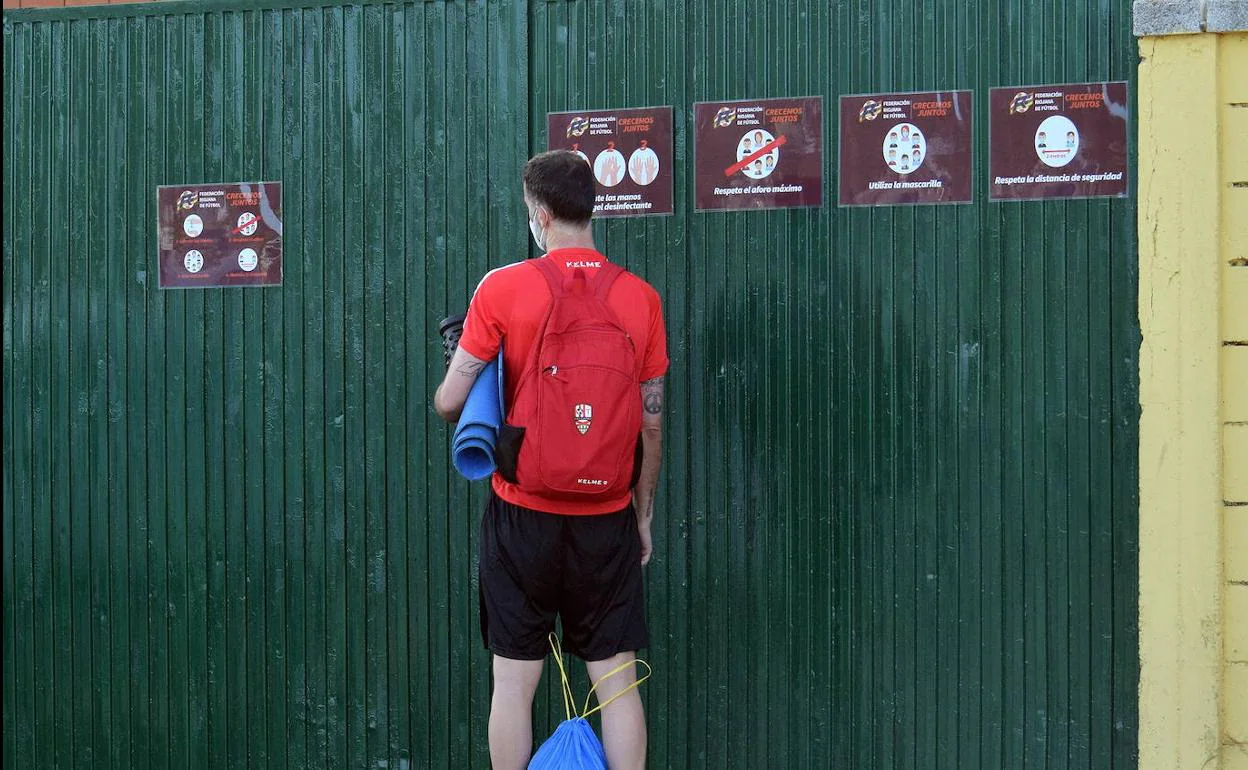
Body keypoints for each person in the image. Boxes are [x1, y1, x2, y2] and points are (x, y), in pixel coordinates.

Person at [434, 150, 668, 770]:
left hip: (522, 518)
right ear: (592, 209)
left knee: (512, 687)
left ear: (539, 214)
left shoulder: (503, 287)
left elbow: (449, 402)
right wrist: (641, 515)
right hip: (607, 518)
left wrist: (468, 367)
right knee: (616, 685)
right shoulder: (641, 300)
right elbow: (651, 421)